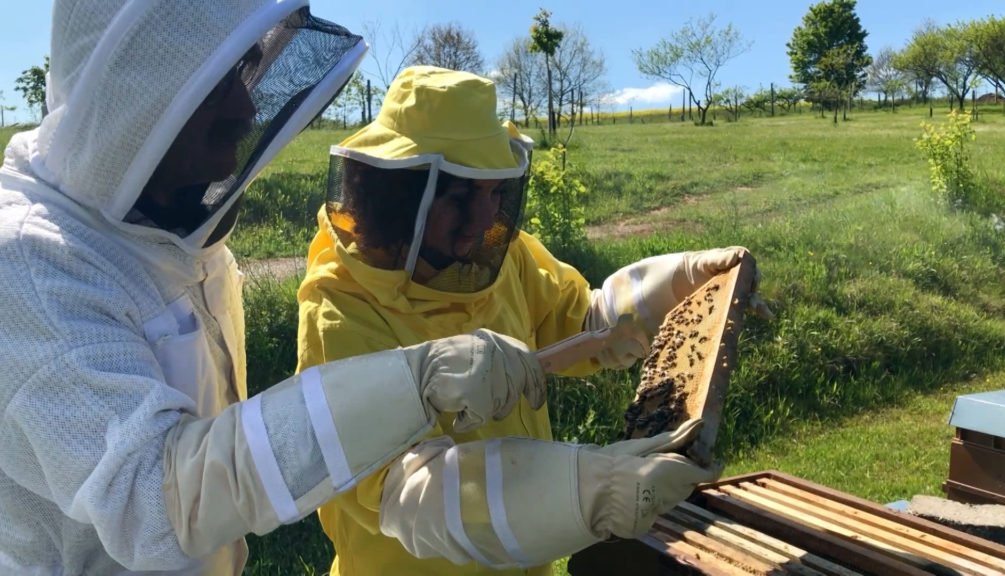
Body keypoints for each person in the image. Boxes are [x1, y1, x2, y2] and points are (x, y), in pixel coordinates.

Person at [0, 4, 547, 575]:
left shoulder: (169, 231)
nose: (245, 106)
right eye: (215, 85)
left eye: (244, 72)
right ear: (132, 96)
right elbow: (160, 501)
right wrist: (408, 385)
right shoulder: (30, 264)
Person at [297, 65, 772, 575]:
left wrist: (681, 281)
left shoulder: (501, 259)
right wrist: (587, 491)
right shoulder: (340, 311)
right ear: (398, 198)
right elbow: (403, 491)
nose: (484, 220)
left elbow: (584, 322)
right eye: (461, 196)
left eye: (493, 193)